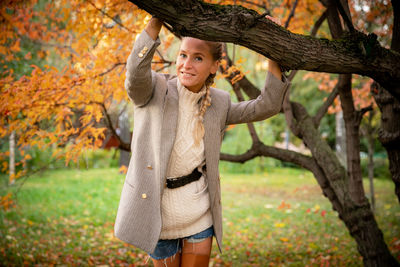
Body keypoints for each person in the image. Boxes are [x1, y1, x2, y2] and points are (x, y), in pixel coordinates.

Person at [114, 16, 290, 267]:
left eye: (198, 58)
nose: (187, 64)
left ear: (214, 66)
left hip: (198, 215)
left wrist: (273, 49)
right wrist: (156, 21)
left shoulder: (219, 102)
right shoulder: (154, 89)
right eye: (183, 55)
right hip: (157, 217)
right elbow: (134, 77)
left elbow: (266, 106)